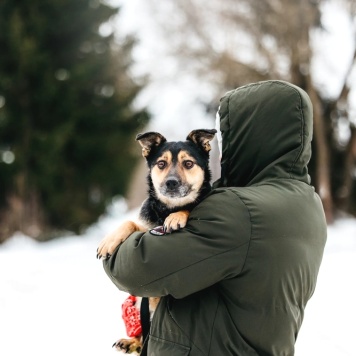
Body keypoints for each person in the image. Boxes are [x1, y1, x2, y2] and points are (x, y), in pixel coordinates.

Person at [101, 80, 327, 355]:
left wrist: (122, 246)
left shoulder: (239, 209)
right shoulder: (306, 202)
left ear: (247, 137)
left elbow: (135, 270)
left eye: (227, 133)